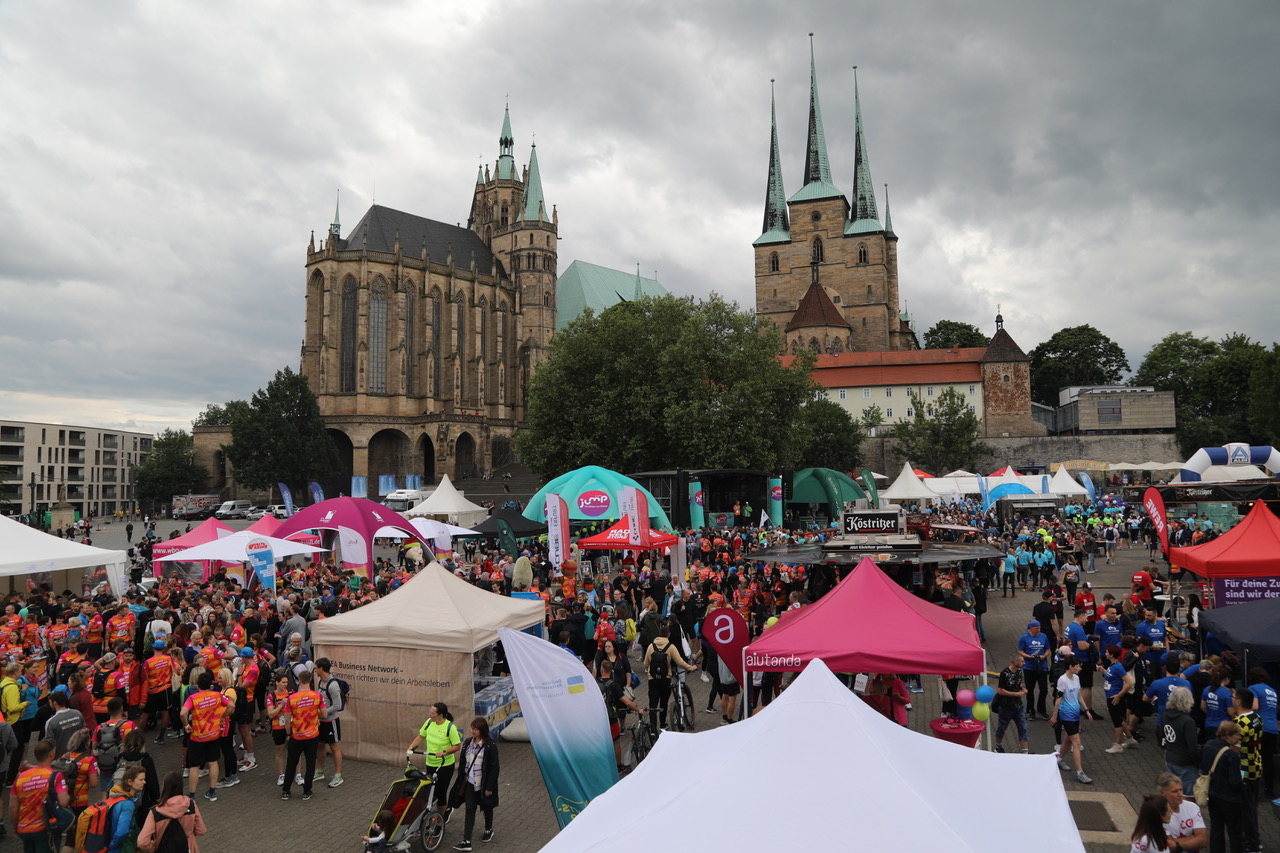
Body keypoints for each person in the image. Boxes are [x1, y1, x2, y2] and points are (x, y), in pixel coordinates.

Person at [448, 717, 500, 852]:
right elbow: (463, 763)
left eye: (475, 729)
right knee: (470, 809)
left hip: (484, 783)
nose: (472, 731)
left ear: (482, 730)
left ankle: (488, 829)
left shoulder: (490, 745)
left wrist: (489, 787)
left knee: (487, 806)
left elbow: (494, 768)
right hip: (470, 782)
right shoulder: (467, 742)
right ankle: (467, 841)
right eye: (472, 728)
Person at [8, 739, 69, 853]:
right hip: (46, 829)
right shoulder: (55, 776)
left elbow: (13, 807)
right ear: (51, 755)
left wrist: (16, 827)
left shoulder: (20, 777)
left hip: (24, 828)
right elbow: (63, 801)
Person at [179, 671, 231, 802]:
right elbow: (231, 705)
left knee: (194, 766)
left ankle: (192, 795)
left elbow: (183, 713)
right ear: (211, 685)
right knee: (213, 763)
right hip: (214, 735)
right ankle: (212, 792)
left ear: (197, 686)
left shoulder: (193, 698)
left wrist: (186, 725)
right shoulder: (217, 695)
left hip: (197, 737)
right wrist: (223, 717)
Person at [406, 702, 461, 822]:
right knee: (431, 791)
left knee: (440, 793)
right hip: (430, 763)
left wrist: (444, 752)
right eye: (430, 712)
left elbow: (457, 746)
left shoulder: (450, 727)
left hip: (444, 765)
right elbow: (421, 736)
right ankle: (434, 814)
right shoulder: (429, 722)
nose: (429, 714)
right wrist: (411, 747)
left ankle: (441, 819)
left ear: (440, 715)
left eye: (432, 713)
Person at [279, 669, 325, 802]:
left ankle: (286, 791)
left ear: (299, 681)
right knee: (310, 764)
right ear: (310, 680)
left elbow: (287, 720)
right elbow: (324, 714)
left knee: (291, 763)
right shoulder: (317, 696)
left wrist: (289, 734)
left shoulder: (292, 698)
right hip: (312, 735)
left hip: (297, 735)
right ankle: (307, 791)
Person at [641, 625, 697, 732]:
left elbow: (645, 663)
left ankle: (653, 728)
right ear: (668, 635)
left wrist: (650, 672)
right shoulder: (670, 647)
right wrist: (691, 667)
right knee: (664, 702)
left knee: (653, 704)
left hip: (652, 679)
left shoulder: (651, 646)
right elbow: (680, 662)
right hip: (665, 679)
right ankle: (663, 724)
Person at [136, 770, 206, 853]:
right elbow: (201, 830)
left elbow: (142, 842)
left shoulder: (155, 812)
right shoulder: (190, 804)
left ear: (165, 787)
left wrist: (153, 848)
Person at [1200, 720, 1244, 853]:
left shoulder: (1208, 745)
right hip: (1229, 798)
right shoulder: (1231, 756)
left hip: (1212, 794)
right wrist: (1244, 786)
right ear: (1228, 735)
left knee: (1216, 827)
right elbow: (1235, 783)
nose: (1240, 738)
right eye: (1237, 734)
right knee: (1234, 831)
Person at [1231, 688, 1262, 853]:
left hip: (1244, 769)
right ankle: (1254, 838)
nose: (1231, 699)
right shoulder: (1257, 718)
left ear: (1238, 701)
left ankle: (1252, 843)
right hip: (1256, 766)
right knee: (1252, 805)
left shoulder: (1240, 722)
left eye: (1233, 697)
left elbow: (1235, 749)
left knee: (1246, 808)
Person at [1051, 656, 1091, 784]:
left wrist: (1086, 710)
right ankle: (1079, 772)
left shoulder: (1077, 678)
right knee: (1077, 743)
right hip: (1066, 714)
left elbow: (1079, 695)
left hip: (1075, 714)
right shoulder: (1062, 680)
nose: (1080, 668)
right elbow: (1058, 700)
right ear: (1070, 667)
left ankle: (1059, 759)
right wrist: (1054, 716)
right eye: (1077, 666)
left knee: (1068, 740)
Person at [1156, 771, 1207, 853]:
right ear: (1162, 793)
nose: (1180, 794)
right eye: (1175, 791)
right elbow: (1168, 846)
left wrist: (1177, 845)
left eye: (1181, 790)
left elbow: (1203, 841)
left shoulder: (1192, 807)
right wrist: (1192, 838)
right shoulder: (1158, 813)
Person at [1162, 687, 1200, 796]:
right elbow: (1192, 747)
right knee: (1186, 795)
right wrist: (1198, 763)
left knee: (1173, 792)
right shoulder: (1188, 721)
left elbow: (1162, 735)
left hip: (1170, 759)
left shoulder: (1165, 715)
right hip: (1185, 762)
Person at [993, 652, 1029, 754]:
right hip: (1006, 706)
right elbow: (1001, 691)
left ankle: (1025, 752)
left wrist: (1023, 688)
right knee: (1002, 727)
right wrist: (1016, 694)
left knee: (1023, 727)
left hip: (1018, 706)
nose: (1024, 663)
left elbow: (1019, 683)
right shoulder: (1004, 674)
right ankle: (998, 746)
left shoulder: (1019, 671)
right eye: (1022, 661)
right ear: (1015, 662)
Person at [106, 764, 147, 853]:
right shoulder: (128, 804)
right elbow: (122, 832)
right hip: (120, 848)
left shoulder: (114, 796)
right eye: (141, 780)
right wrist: (112, 845)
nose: (144, 782)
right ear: (130, 782)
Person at [1017, 620, 1051, 719]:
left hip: (1042, 666)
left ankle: (1041, 710)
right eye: (1036, 628)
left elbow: (1048, 649)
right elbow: (1020, 651)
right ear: (1031, 628)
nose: (1038, 630)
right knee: (1030, 690)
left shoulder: (1043, 636)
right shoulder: (1024, 638)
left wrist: (1044, 656)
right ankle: (1031, 710)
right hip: (1029, 667)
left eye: (1039, 628)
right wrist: (1028, 656)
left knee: (1044, 689)